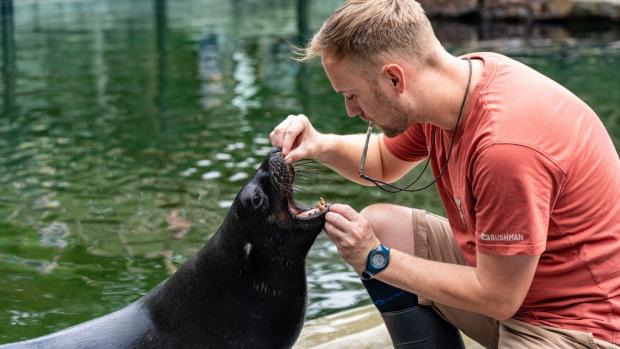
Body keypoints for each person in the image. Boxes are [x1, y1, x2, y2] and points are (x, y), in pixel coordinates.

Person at [269, 0, 620, 348]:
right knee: (382, 226)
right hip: (521, 296)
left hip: (578, 327)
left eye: (352, 95)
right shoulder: (451, 87)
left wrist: (375, 257)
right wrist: (318, 144)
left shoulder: (505, 148)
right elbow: (383, 162)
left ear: (394, 78)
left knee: (380, 251)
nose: (349, 110)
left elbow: (499, 298)